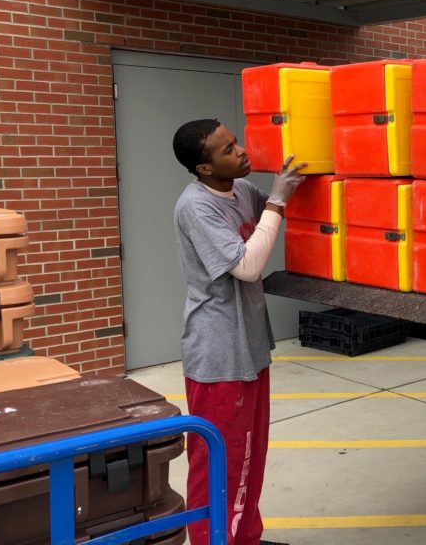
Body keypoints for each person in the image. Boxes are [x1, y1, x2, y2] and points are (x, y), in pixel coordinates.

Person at [172, 119, 306, 545]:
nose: (243, 151)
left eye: (237, 141)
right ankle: (216, 539)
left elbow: (279, 213)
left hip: (249, 347)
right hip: (220, 354)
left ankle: (243, 536)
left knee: (248, 458)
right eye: (228, 149)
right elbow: (248, 266)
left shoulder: (242, 191)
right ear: (205, 168)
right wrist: (279, 201)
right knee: (220, 463)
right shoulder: (196, 207)